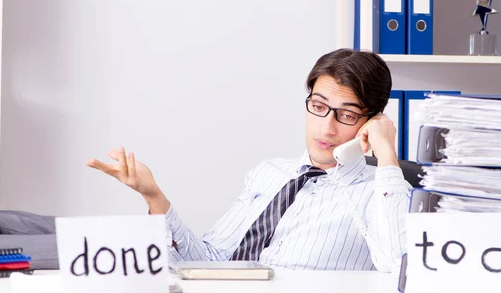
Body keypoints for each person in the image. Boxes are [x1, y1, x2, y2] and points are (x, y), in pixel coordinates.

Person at [87, 48, 412, 273]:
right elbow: (210, 263)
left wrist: (385, 153)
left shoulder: (377, 194)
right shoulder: (269, 174)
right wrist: (154, 196)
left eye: (347, 114)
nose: (327, 127)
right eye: (318, 106)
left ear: (371, 121)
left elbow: (398, 265)